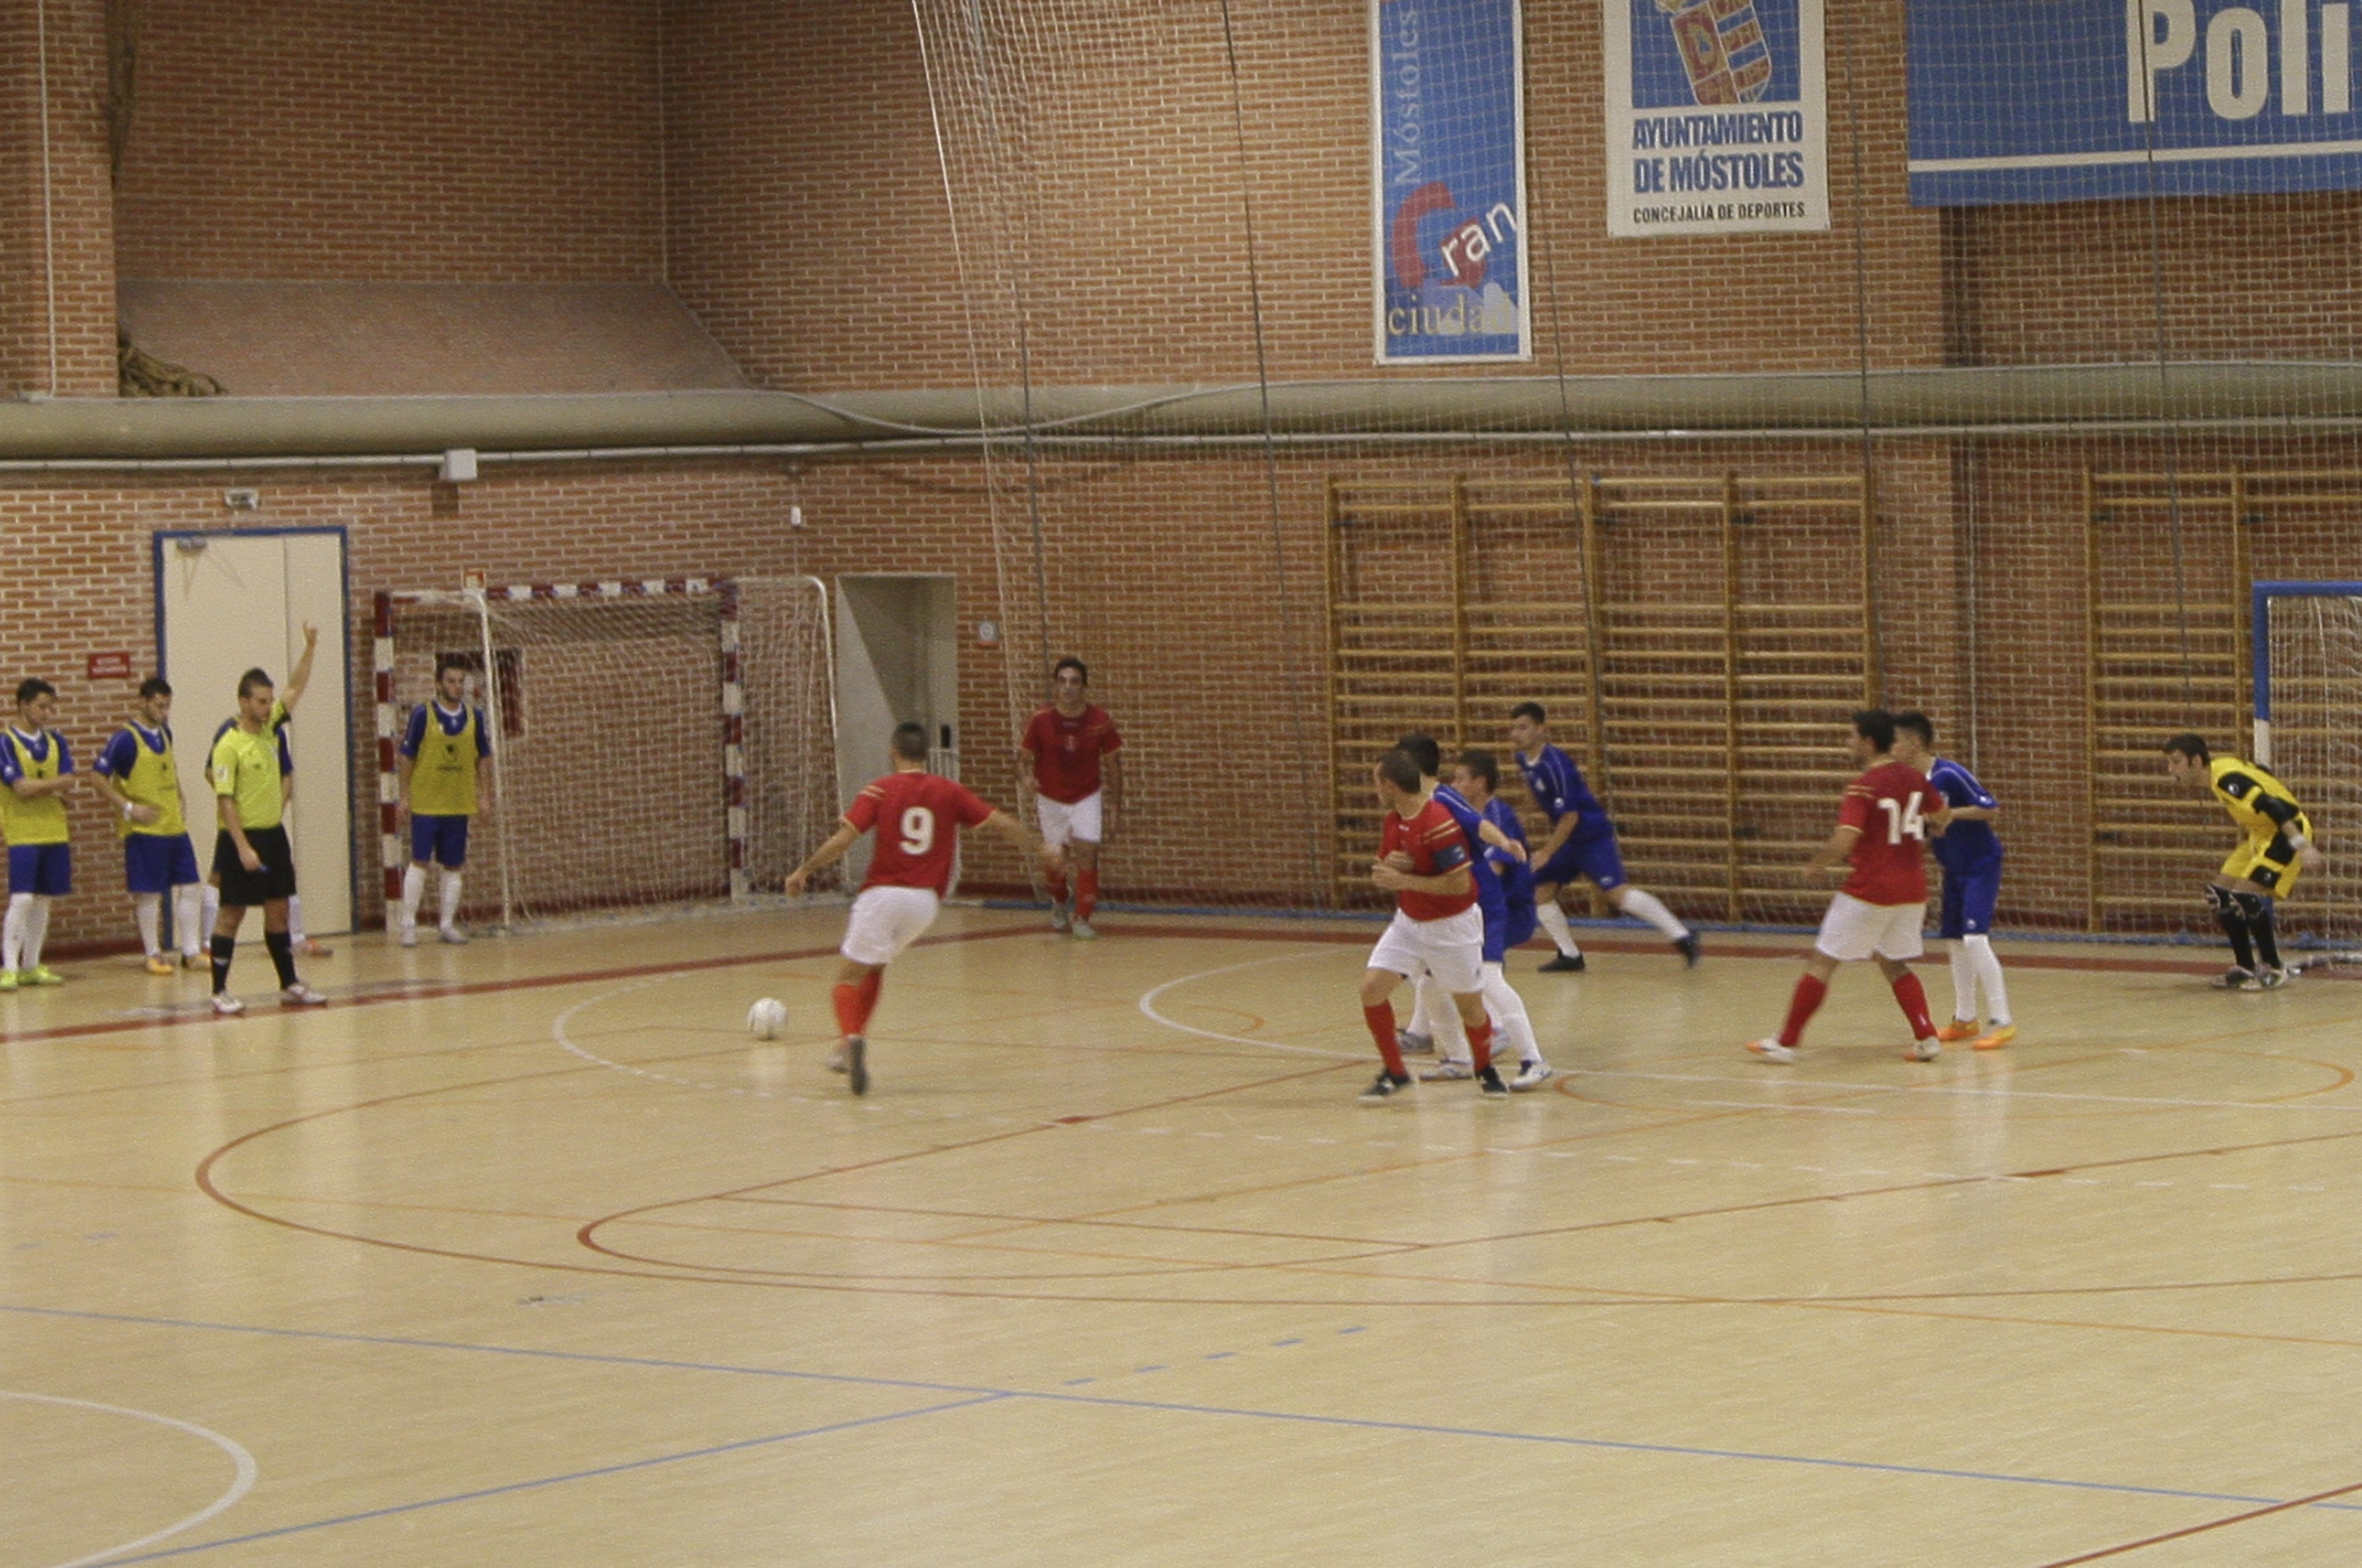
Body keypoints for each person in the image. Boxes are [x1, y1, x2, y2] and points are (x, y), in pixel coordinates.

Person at [786, 721, 1040, 1095]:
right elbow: (1000, 822)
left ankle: (851, 1039)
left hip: (883, 895)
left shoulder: (880, 789)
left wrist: (804, 870)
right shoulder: (949, 790)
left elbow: (842, 841)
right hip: (925, 904)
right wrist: (1041, 847)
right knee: (875, 966)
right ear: (926, 754)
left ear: (893, 751)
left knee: (847, 978)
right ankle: (845, 1047)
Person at [1746, 709, 1944, 1064]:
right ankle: (1927, 1037)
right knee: (1894, 963)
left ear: (1868, 742)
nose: (1847, 743)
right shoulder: (1915, 778)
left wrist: (1817, 864)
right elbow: (1942, 816)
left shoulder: (1863, 787)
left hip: (1870, 890)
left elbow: (1845, 839)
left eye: (1852, 737)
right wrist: (1921, 835)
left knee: (1823, 961)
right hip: (1912, 891)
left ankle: (1786, 1043)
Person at [1395, 740, 1555, 1091]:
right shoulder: (1412, 806)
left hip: (1483, 903)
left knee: (1489, 978)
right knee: (1430, 982)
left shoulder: (1443, 797)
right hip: (1450, 907)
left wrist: (1505, 842)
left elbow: (1477, 823)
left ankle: (1534, 1059)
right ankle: (1457, 1059)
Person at [1357, 748, 1506, 1101]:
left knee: (1470, 1009)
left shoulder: (1438, 822)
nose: (1375, 790)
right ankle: (1395, 1072)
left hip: (1451, 927)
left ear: (1390, 785)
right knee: (1372, 990)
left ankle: (1485, 1068)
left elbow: (1459, 884)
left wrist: (1404, 880)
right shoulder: (1394, 820)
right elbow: (1383, 869)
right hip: (1409, 923)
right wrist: (1391, 867)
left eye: (1377, 782)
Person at [1507, 701, 1699, 972]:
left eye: (1523, 727)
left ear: (1541, 730)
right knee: (1541, 892)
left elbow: (1571, 816)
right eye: (1514, 728)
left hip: (1590, 836)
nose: (1516, 733)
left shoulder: (1555, 764)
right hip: (1568, 839)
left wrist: (1547, 852)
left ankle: (1683, 936)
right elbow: (1532, 787)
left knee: (1617, 895)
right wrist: (1523, 815)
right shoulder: (1524, 759)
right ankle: (1570, 955)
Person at [206, 664, 330, 1015]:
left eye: (269, 701)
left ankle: (289, 983)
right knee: (232, 913)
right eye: (260, 701)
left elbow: (295, 688)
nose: (267, 707)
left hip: (273, 835)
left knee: (279, 910)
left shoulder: (271, 730)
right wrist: (243, 847)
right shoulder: (229, 745)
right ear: (243, 702)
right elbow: (225, 800)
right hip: (240, 838)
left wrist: (310, 649)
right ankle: (219, 989)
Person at [2163, 733, 2326, 990]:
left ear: (2196, 762)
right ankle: (2245, 967)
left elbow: (2273, 805)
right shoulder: (2218, 772)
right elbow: (2259, 775)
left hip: (2284, 834)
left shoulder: (2227, 780)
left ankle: (2273, 967)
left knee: (2243, 895)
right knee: (2219, 893)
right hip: (2261, 835)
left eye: (2176, 762)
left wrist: (2302, 846)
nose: (2171, 769)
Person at [1892, 712, 2014, 1050]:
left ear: (1915, 743)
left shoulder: (1948, 774)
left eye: (1896, 742)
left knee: (1975, 939)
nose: (1892, 748)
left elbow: (1990, 808)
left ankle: (2002, 1020)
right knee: (1955, 941)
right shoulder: (1910, 784)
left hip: (1980, 865)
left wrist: (1949, 814)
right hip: (1953, 869)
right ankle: (1965, 1018)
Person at [94, 677, 207, 976]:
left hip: (173, 826)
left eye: (167, 706)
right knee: (149, 893)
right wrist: (129, 807)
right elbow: (97, 777)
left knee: (191, 886)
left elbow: (168, 768)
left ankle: (191, 951)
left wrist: (180, 794)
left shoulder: (165, 732)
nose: (164, 711)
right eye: (159, 705)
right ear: (142, 701)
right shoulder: (125, 739)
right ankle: (153, 953)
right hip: (145, 831)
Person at [1020, 657, 1123, 938]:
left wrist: (1115, 804)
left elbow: (1114, 765)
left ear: (1084, 687)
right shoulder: (1040, 719)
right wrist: (1026, 776)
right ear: (1055, 686)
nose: (1068, 687)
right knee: (1055, 860)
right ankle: (1059, 901)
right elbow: (1023, 759)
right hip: (1051, 799)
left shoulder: (1100, 720)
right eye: (1063, 681)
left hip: (1086, 796)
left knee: (1088, 853)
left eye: (1075, 681)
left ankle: (1082, 917)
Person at [396, 656, 495, 946]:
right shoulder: (422, 715)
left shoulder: (475, 717)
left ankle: (447, 924)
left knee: (453, 865)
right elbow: (407, 757)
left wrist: (485, 794)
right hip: (426, 802)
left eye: (461, 681)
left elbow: (483, 757)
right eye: (451, 681)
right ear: (439, 684)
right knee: (420, 861)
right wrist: (404, 796)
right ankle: (408, 924)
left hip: (458, 803)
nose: (457, 686)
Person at [0, 679, 82, 988]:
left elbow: (70, 780)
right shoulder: (6, 742)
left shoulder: (56, 741)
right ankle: (9, 966)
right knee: (22, 898)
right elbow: (21, 788)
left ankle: (31, 965)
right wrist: (53, 785)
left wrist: (43, 787)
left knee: (44, 900)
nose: (47, 713)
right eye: (41, 707)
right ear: (23, 705)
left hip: (54, 829)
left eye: (50, 707)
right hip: (22, 831)